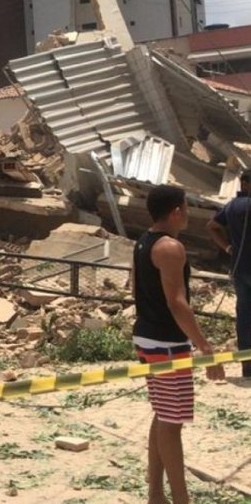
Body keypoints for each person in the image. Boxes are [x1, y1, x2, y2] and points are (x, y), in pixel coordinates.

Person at [133, 185, 224, 504]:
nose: (187, 213)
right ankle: (181, 499)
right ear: (176, 211)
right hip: (166, 342)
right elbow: (177, 303)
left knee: (162, 414)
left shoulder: (144, 241)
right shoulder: (170, 247)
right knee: (172, 422)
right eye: (186, 207)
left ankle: (156, 494)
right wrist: (206, 349)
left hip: (147, 336)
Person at [206, 169, 251, 378]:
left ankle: (247, 366)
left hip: (239, 268)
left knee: (244, 317)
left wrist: (227, 248)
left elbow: (213, 226)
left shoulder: (232, 206)